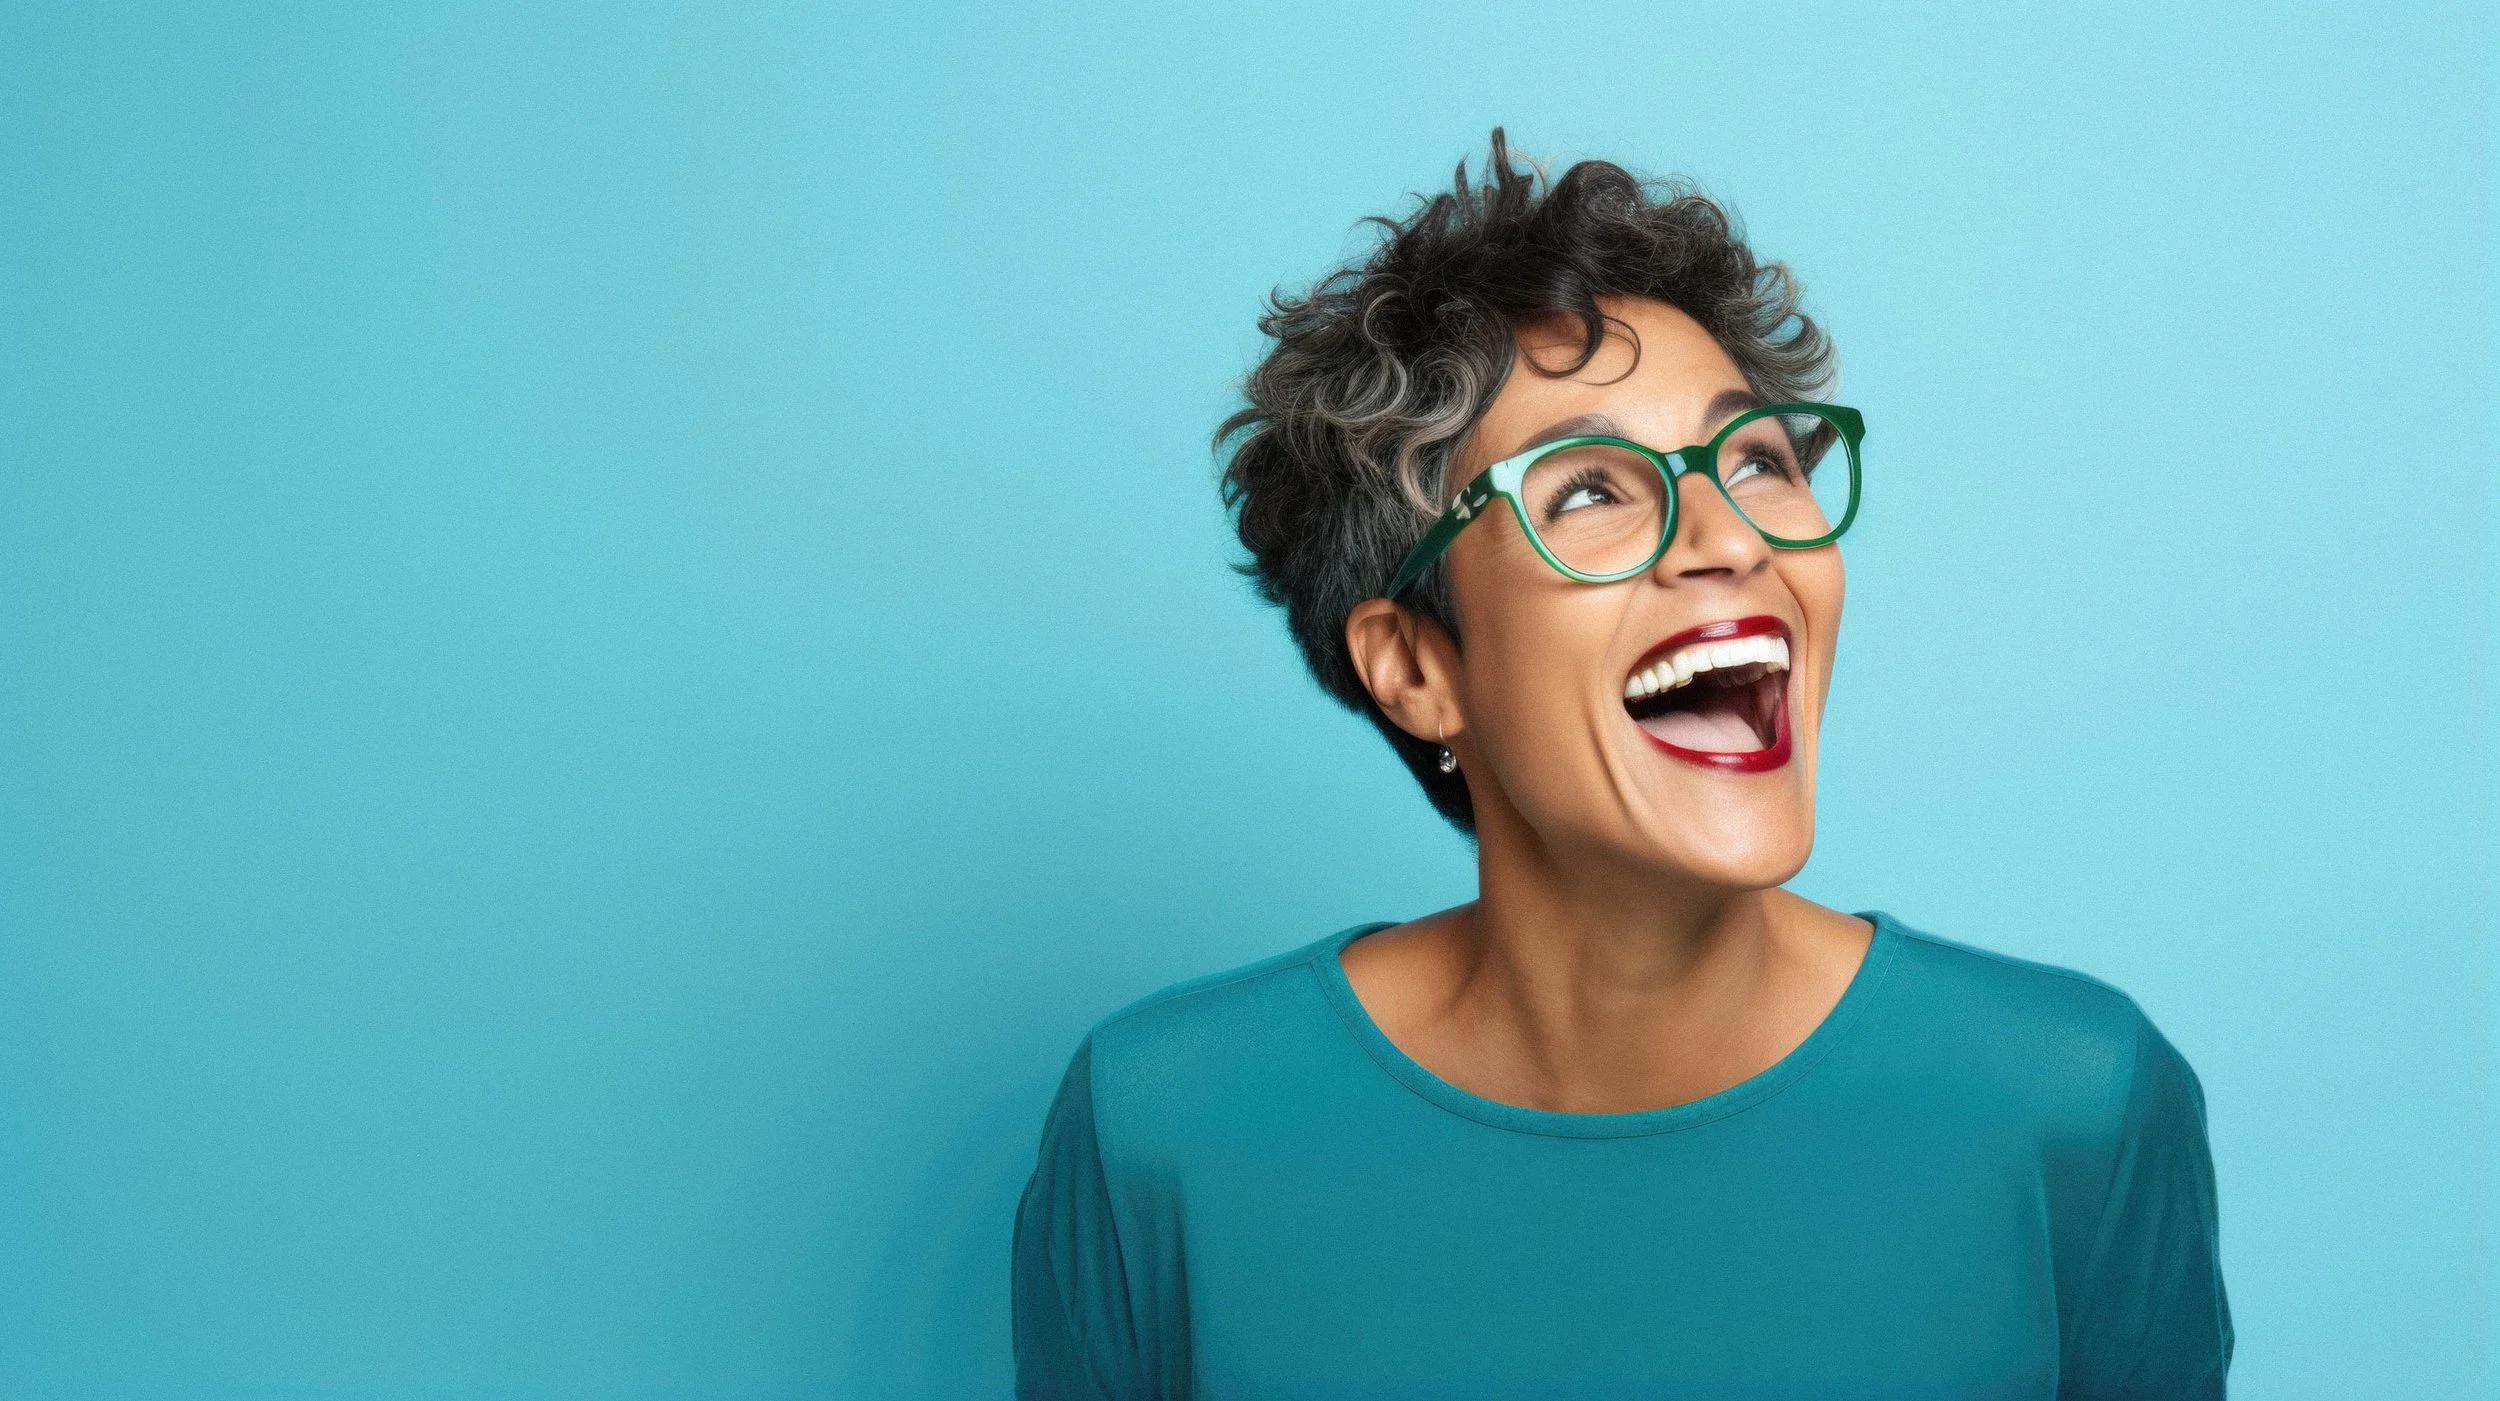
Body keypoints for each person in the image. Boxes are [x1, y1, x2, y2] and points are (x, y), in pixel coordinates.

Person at [1010, 130, 2231, 1399]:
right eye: (1589, 490)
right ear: (1415, 668)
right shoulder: (1164, 1129)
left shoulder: (2072, 1101)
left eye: (1755, 459)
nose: (1727, 537)